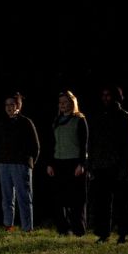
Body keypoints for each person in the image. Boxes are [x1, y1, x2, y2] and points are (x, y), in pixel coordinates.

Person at [89, 84, 128, 243]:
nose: (105, 98)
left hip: (118, 166)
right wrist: (92, 164)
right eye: (103, 95)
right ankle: (103, 234)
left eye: (108, 95)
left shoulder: (124, 116)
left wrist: (127, 166)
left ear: (116, 97)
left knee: (122, 203)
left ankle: (123, 234)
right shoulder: (99, 116)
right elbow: (93, 142)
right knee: (102, 204)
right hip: (101, 166)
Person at [45, 90, 89, 237]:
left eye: (65, 102)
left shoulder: (80, 120)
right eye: (61, 102)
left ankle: (78, 230)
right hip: (58, 163)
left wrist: (82, 164)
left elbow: (84, 144)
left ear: (72, 103)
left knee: (77, 200)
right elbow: (51, 144)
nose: (63, 105)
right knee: (59, 199)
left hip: (74, 163)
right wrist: (50, 163)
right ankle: (63, 230)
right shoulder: (56, 121)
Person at [0, 92, 40, 233]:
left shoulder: (26, 122)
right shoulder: (2, 123)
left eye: (12, 104)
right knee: (7, 197)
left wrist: (29, 163)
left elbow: (35, 146)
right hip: (4, 164)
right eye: (6, 105)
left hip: (21, 164)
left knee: (24, 197)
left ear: (18, 106)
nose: (9, 107)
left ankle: (27, 228)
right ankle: (8, 225)